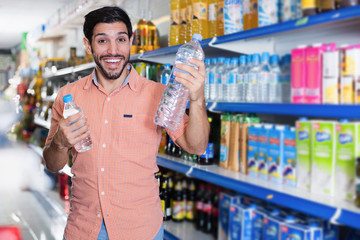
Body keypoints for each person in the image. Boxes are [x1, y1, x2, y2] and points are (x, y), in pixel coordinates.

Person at [43, 6, 210, 240]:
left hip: (140, 230)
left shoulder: (158, 94)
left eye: (121, 39)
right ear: (88, 45)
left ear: (131, 40)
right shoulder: (68, 96)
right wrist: (59, 144)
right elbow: (52, 165)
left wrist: (197, 97)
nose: (113, 50)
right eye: (102, 41)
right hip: (83, 229)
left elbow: (197, 147)